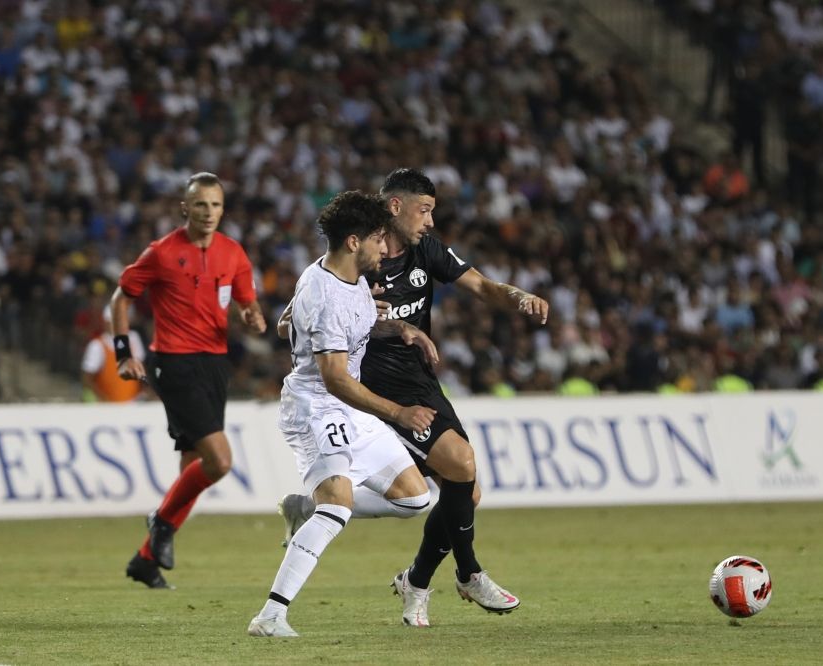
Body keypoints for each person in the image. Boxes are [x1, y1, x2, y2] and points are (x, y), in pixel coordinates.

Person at [278, 168, 549, 627]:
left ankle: (416, 580)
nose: (430, 221)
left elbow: (483, 286)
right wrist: (369, 315)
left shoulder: (426, 250)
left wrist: (519, 296)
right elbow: (293, 320)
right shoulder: (357, 254)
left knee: (467, 492)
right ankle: (468, 573)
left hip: (419, 382)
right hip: (376, 388)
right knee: (460, 467)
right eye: (424, 210)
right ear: (395, 207)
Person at [247, 190, 438, 638]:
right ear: (354, 242)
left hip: (348, 405)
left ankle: (309, 507)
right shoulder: (325, 292)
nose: (385, 249)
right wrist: (400, 412)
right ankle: (270, 616)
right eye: (377, 240)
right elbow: (334, 378)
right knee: (338, 507)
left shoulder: (338, 277)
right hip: (317, 406)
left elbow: (284, 325)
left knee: (415, 499)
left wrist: (395, 326)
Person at [112, 172, 266, 589]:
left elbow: (247, 306)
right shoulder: (162, 253)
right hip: (173, 363)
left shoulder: (234, 253)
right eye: (200, 204)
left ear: (223, 209)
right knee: (219, 461)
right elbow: (120, 298)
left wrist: (251, 317)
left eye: (216, 205)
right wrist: (125, 353)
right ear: (186, 208)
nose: (209, 212)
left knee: (190, 471)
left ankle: (146, 559)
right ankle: (160, 520)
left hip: (214, 366)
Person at [81, 305, 146, 402]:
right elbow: (87, 379)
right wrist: (103, 400)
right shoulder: (97, 346)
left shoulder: (134, 339)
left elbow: (142, 370)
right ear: (106, 322)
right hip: (108, 407)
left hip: (134, 404)